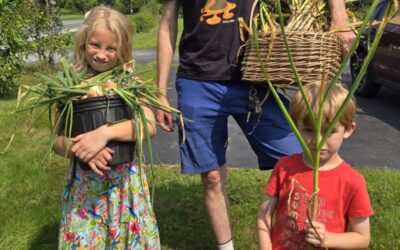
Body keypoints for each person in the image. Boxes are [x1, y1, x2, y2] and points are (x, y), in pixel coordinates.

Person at [156, 0, 355, 249]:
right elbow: (167, 24)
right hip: (197, 80)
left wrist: (339, 14)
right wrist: (160, 91)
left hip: (254, 74)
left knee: (303, 157)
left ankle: (305, 238)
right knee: (212, 176)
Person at [53, 6, 160, 249]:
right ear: (83, 42)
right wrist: (82, 148)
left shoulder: (129, 82)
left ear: (122, 49)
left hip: (124, 184)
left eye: (111, 48)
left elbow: (149, 124)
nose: (102, 55)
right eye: (95, 45)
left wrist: (105, 133)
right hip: (85, 189)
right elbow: (57, 141)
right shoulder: (69, 86)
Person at [257, 82, 373, 250]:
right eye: (309, 131)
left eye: (329, 131)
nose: (318, 141)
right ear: (297, 127)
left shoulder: (353, 181)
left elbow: (362, 238)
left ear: (347, 129)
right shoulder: (284, 167)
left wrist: (328, 239)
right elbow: (264, 214)